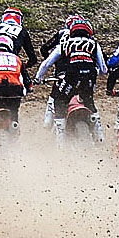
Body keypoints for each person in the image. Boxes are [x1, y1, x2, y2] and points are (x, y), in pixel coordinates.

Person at [36, 17, 107, 145]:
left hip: (71, 76)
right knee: (89, 100)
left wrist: (38, 78)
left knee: (59, 101)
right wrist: (97, 73)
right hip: (89, 76)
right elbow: (104, 69)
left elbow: (46, 64)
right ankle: (99, 135)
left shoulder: (64, 44)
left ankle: (60, 138)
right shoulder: (94, 44)